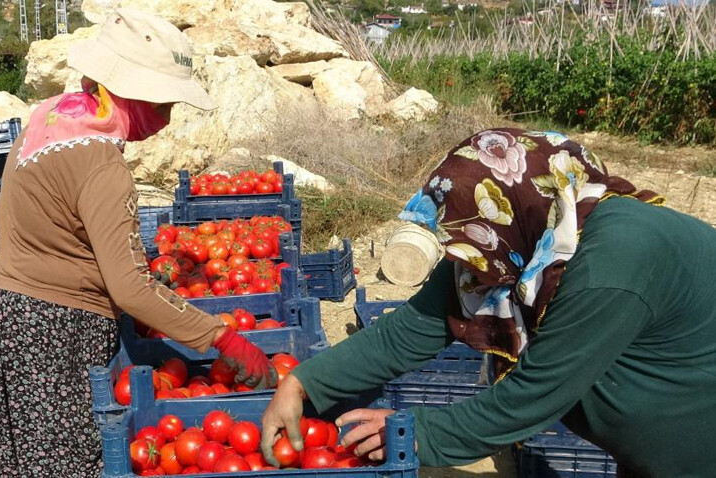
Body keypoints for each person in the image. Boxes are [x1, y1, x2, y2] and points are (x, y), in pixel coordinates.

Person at [261, 128, 716, 478]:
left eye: (471, 242)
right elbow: (409, 330)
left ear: (513, 208)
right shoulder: (512, 240)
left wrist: (415, 432)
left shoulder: (612, 265)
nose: (463, 262)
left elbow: (532, 397)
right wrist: (301, 384)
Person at [0, 9, 276, 477]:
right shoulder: (104, 167)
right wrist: (222, 337)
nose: (168, 118)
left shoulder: (49, 116)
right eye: (163, 103)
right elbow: (129, 288)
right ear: (131, 91)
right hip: (53, 334)